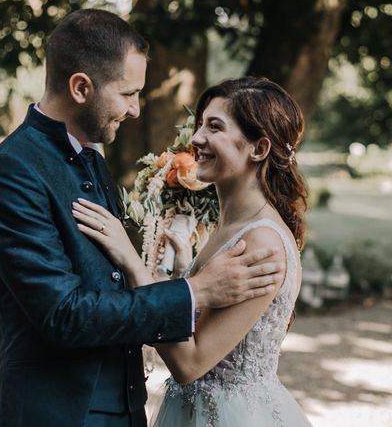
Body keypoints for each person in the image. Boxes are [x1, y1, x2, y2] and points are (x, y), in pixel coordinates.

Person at [0, 10, 284, 427]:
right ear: (81, 87)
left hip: (125, 412)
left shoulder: (92, 162)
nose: (136, 110)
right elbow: (63, 314)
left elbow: (109, 287)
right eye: (127, 93)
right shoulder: (10, 172)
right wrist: (196, 291)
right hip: (57, 415)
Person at [73, 76, 312, 426]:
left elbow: (190, 363)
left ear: (258, 149)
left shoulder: (262, 244)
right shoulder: (231, 227)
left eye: (214, 127)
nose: (197, 138)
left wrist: (131, 262)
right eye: (200, 124)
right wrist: (185, 271)